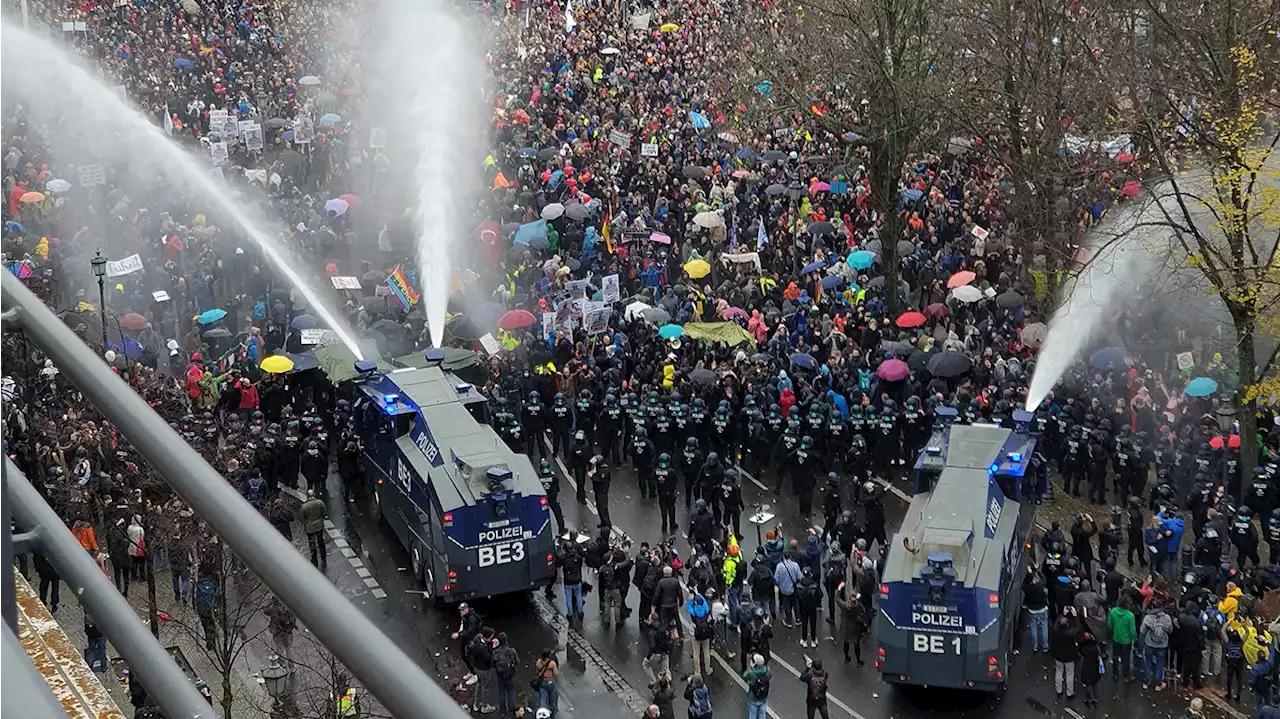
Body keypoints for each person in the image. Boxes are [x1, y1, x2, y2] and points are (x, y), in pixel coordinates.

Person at [1140, 602, 1173, 690]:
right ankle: (1158, 684)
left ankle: (1146, 682)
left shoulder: (1148, 618)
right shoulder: (1167, 618)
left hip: (1150, 643)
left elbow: (1142, 631)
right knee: (1160, 663)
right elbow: (1170, 630)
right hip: (1162, 645)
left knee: (1148, 662)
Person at [450, 604, 483, 686]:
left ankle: (476, 675)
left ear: (466, 609)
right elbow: (462, 627)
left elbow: (470, 631)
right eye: (460, 610)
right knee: (464, 655)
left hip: (471, 641)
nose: (460, 612)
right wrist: (459, 633)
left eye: (462, 610)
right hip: (466, 639)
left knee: (470, 657)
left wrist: (459, 635)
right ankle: (471, 672)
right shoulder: (464, 617)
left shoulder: (472, 619)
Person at [1050, 611, 1081, 700]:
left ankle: (1059, 690)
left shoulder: (1055, 629)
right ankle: (1069, 693)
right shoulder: (1070, 633)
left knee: (1059, 672)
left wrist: (1063, 614)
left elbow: (1057, 620)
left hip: (1058, 655)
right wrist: (1076, 616)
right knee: (1069, 674)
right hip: (1069, 656)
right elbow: (1078, 628)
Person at [1106, 596, 1136, 682]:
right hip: (1126, 641)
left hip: (1116, 638)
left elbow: (1109, 625)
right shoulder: (1130, 615)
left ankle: (1115, 673)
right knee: (1126, 658)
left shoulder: (1113, 611)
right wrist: (1134, 638)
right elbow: (1132, 630)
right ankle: (1126, 676)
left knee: (1115, 656)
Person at [836, 584, 867, 665]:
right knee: (856, 645)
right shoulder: (858, 605)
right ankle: (858, 660)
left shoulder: (845, 606)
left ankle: (846, 658)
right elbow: (864, 611)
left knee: (846, 643)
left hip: (846, 627)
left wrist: (839, 589)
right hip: (855, 628)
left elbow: (837, 599)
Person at [300, 488, 328, 570]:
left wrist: (305, 524)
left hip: (309, 527)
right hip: (319, 525)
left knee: (312, 543)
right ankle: (323, 556)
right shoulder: (320, 502)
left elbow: (302, 518)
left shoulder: (304, 506)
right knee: (320, 541)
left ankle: (314, 559)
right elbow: (324, 512)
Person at [494, 632, 520, 718]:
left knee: (501, 693)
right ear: (506, 641)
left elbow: (492, 664)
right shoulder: (512, 651)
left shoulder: (496, 652)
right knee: (511, 692)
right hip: (510, 676)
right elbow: (517, 662)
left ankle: (502, 711)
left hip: (500, 676)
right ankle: (512, 709)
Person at [773, 551, 802, 627]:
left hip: (784, 589)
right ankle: (798, 619)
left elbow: (776, 578)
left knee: (787, 605)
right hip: (793, 588)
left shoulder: (779, 566)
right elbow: (799, 577)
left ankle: (788, 621)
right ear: (790, 556)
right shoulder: (795, 565)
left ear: (783, 557)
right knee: (796, 604)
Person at [1024, 565, 1049, 652]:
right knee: (1044, 626)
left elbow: (1024, 583)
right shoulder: (1039, 586)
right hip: (1042, 609)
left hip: (1032, 610)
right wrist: (1037, 570)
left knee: (1033, 627)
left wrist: (1029, 574)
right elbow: (1044, 579)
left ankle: (1035, 646)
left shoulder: (1027, 588)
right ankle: (1045, 646)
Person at [1078, 630, 1104, 709]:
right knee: (1094, 683)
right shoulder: (1096, 647)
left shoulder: (1084, 648)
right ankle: (1095, 698)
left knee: (1088, 685)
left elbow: (1080, 651)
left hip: (1087, 668)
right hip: (1095, 667)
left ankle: (1090, 699)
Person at [742, 653, 770, 719]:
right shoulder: (767, 670)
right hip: (763, 697)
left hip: (753, 697)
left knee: (752, 714)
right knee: (762, 713)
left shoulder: (751, 673)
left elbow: (744, 676)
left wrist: (750, 668)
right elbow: (770, 676)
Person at [533, 650, 558, 717]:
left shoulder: (538, 662)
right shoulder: (552, 663)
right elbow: (556, 674)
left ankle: (542, 713)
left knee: (543, 698)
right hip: (550, 683)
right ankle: (552, 713)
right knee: (551, 698)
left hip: (542, 683)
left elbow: (537, 672)